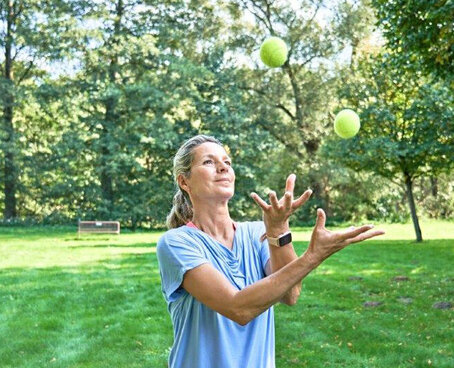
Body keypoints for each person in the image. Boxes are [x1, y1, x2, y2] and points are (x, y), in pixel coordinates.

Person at [156, 135, 385, 368]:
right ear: (184, 181)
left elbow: (290, 294)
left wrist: (278, 229)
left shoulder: (257, 232)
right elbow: (238, 308)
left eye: (227, 161)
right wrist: (313, 256)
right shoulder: (176, 243)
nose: (223, 166)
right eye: (208, 162)